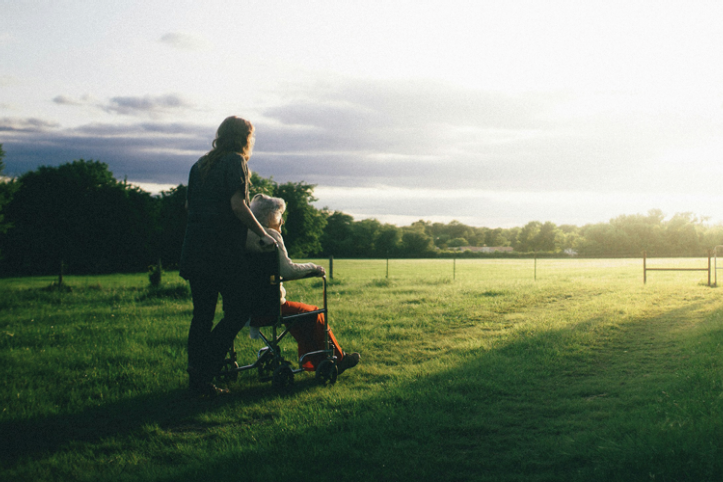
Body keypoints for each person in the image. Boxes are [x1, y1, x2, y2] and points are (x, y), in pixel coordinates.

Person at [179, 116, 276, 396]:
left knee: (202, 316)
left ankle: (197, 378)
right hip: (221, 254)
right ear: (245, 137)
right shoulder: (235, 162)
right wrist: (263, 234)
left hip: (194, 250)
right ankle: (205, 369)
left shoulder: (199, 165)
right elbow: (238, 206)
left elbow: (189, 205)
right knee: (239, 311)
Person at [246, 194, 360, 375]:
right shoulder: (270, 236)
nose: (282, 220)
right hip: (270, 306)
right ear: (269, 216)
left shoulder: (245, 236)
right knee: (314, 313)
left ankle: (313, 362)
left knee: (301, 316)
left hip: (246, 306)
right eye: (279, 214)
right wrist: (313, 268)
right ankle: (337, 359)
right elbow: (288, 270)